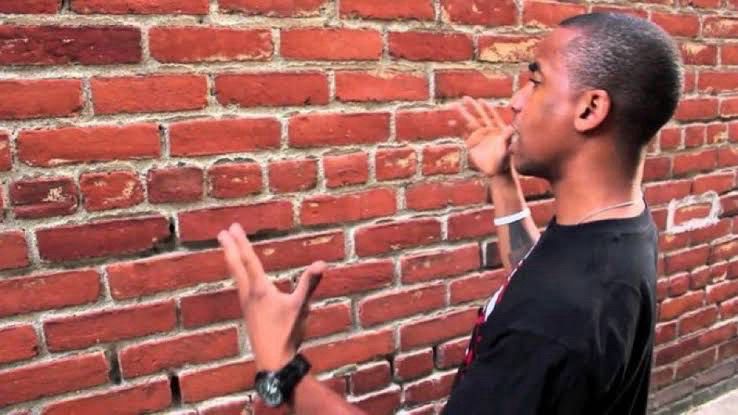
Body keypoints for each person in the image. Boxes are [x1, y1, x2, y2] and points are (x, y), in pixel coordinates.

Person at [216, 12, 682, 415]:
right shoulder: (622, 228)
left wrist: (281, 369)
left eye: (536, 80)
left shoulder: (550, 323)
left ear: (590, 109)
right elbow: (538, 270)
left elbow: (550, 304)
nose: (516, 100)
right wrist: (502, 180)